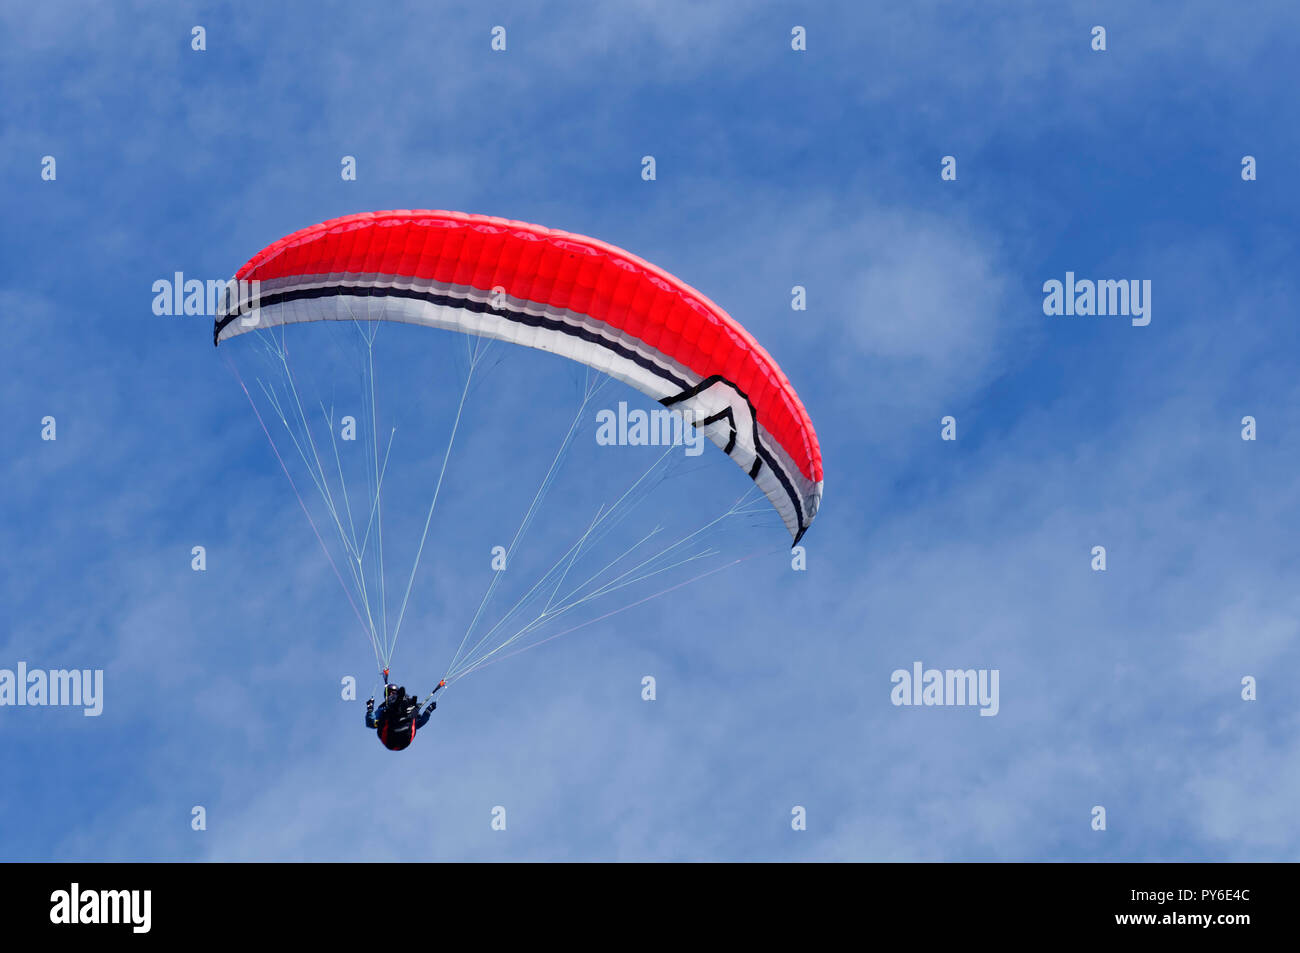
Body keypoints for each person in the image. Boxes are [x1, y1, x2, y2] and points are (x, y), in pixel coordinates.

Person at [366, 678, 444, 751]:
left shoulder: (409, 708)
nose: (392, 694)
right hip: (389, 737)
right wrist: (370, 710)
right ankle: (398, 709)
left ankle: (401, 709)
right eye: (390, 693)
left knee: (411, 713)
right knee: (390, 712)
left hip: (405, 736)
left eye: (394, 692)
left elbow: (419, 723)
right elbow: (371, 723)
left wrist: (428, 711)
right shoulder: (382, 709)